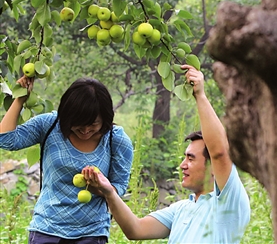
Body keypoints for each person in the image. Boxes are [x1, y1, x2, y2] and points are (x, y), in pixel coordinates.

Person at [83, 65, 251, 243]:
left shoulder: (227, 204)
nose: (182, 165)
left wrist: (200, 96)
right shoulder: (182, 208)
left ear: (212, 167)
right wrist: (109, 193)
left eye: (191, 158)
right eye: (185, 157)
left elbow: (220, 152)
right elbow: (136, 230)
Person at [0, 76, 134, 244]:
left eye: (93, 124)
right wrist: (20, 99)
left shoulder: (116, 139)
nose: (85, 130)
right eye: (78, 123)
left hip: (92, 233)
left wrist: (99, 188)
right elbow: (5, 139)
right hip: (46, 230)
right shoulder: (49, 125)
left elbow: (119, 187)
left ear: (104, 119)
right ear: (66, 115)